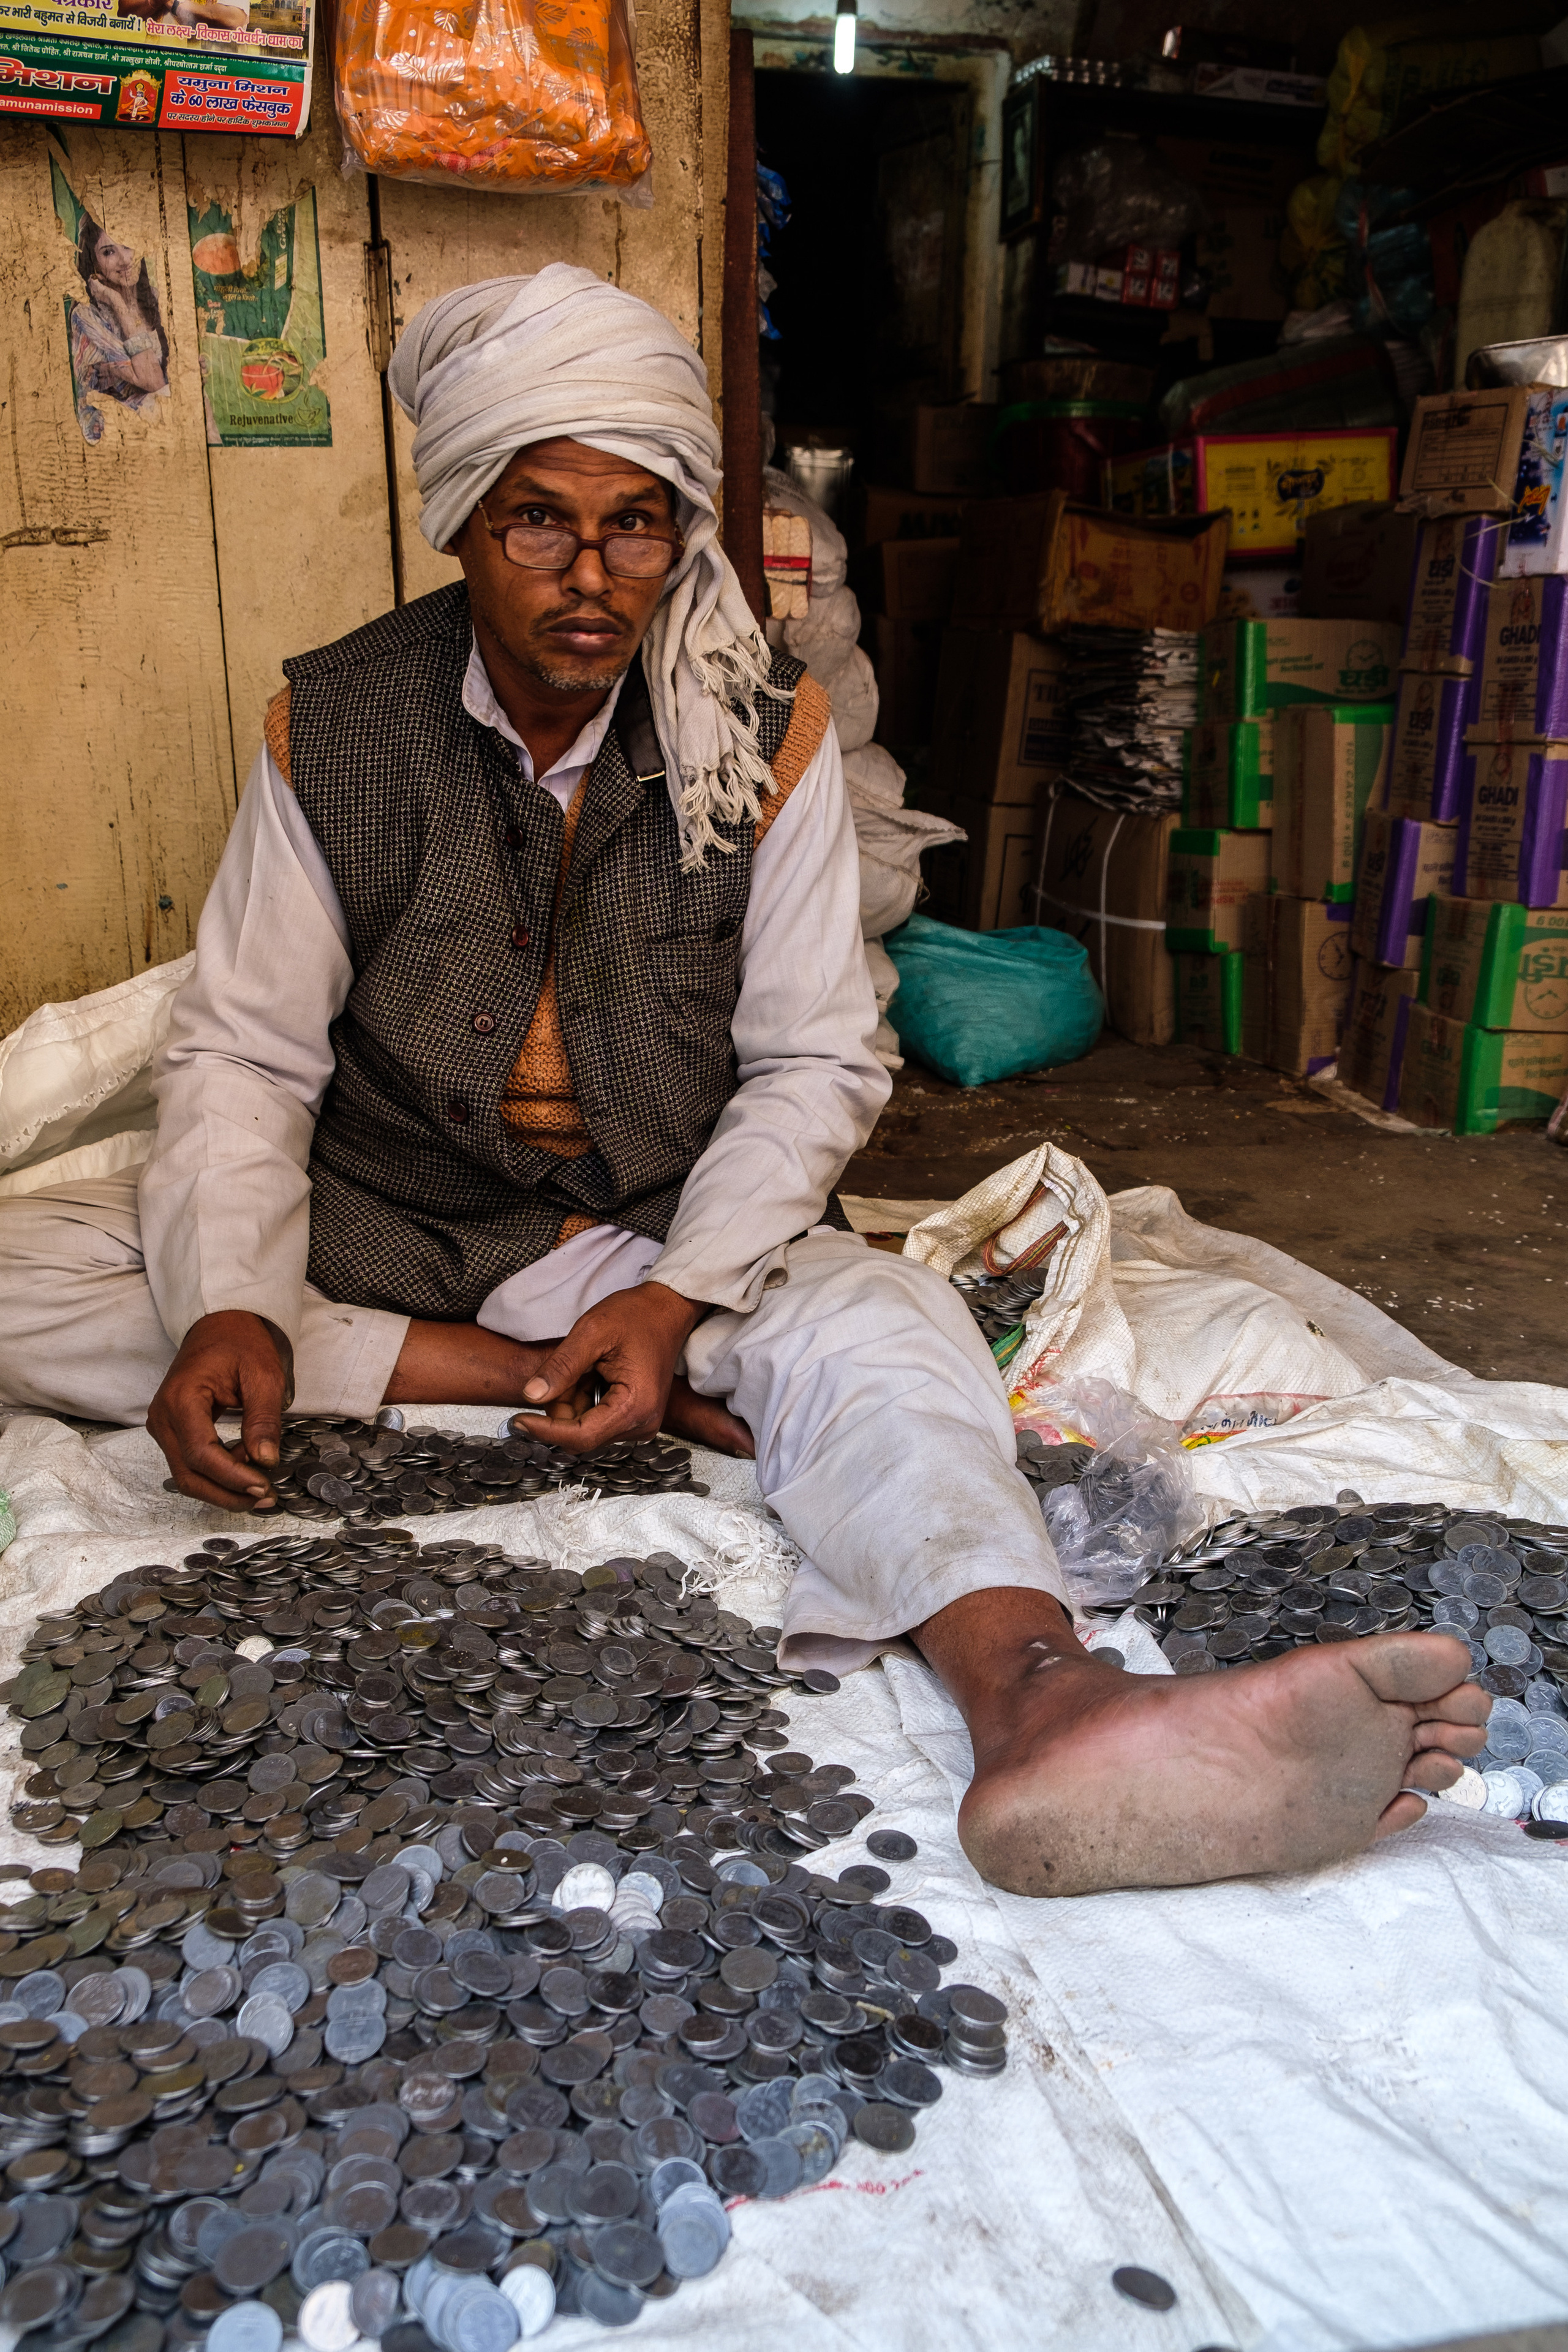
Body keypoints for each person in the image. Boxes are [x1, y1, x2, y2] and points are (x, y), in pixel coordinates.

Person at [0, 266, 1490, 1899]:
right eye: (537, 524)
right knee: (45, 1265)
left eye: (636, 526)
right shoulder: (338, 722)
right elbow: (247, 1052)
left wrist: (682, 1292)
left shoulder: (756, 734)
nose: (590, 577)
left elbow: (814, 1060)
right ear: (458, 525)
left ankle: (1042, 1698)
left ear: (678, 532)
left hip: (645, 1231)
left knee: (884, 1325)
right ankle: (501, 1377)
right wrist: (229, 1300)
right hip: (387, 1213)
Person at [69, 215, 168, 444]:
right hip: (110, 428)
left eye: (127, 245)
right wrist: (116, 303)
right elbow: (153, 381)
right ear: (93, 262)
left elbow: (166, 373)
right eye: (108, 252)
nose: (124, 260)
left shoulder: (153, 297)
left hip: (154, 414)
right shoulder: (86, 315)